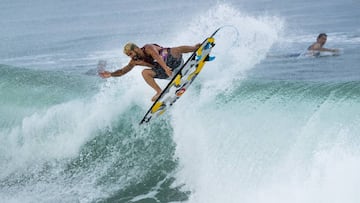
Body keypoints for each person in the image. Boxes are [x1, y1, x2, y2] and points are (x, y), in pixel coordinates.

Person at [99, 42, 201, 101]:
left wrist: (165, 67)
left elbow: (157, 56)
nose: (131, 56)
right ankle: (159, 91)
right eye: (129, 55)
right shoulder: (135, 61)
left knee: (174, 50)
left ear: (136, 48)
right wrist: (111, 74)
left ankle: (196, 48)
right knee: (145, 72)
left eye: (131, 53)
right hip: (167, 72)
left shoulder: (148, 48)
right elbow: (122, 71)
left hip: (174, 63)